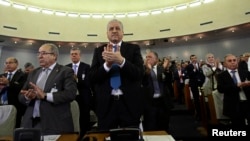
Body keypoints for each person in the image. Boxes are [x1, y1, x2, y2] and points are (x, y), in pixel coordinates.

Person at [89, 19, 144, 130]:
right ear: (107, 33)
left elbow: (139, 74)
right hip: (106, 106)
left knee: (130, 137)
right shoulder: (99, 50)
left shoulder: (133, 49)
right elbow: (92, 77)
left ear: (123, 33)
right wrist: (107, 65)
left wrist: (121, 61)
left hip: (129, 104)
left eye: (117, 28)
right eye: (111, 29)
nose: (114, 31)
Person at [19, 43, 77, 135]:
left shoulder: (65, 71)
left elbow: (70, 94)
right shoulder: (33, 73)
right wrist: (27, 97)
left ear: (54, 56)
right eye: (39, 53)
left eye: (43, 53)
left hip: (55, 123)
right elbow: (21, 95)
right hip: (30, 123)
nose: (40, 56)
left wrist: (45, 96)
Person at [141, 51, 173, 132]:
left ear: (156, 59)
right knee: (150, 125)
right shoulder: (141, 69)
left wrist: (167, 69)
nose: (147, 59)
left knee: (163, 124)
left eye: (150, 57)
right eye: (146, 57)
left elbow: (169, 81)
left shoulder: (161, 68)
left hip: (163, 101)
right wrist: (148, 70)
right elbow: (142, 82)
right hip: (150, 102)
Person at [217, 54, 250, 127]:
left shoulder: (245, 72)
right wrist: (237, 86)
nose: (232, 62)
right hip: (234, 105)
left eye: (234, 60)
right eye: (229, 61)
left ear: (237, 61)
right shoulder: (221, 75)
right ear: (225, 64)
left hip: (247, 102)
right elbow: (221, 89)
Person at [66, 47, 92, 137]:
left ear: (80, 55)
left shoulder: (86, 67)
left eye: (75, 54)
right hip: (71, 97)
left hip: (84, 97)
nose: (73, 56)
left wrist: (77, 79)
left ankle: (85, 135)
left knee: (84, 116)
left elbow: (88, 82)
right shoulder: (66, 67)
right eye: (72, 54)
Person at [0, 57, 27, 128]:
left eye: (10, 63)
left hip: (16, 106)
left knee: (13, 126)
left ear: (17, 64)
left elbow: (22, 88)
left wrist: (9, 83)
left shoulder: (23, 75)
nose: (8, 65)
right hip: (2, 105)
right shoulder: (2, 75)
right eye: (6, 63)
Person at [186, 54, 205, 121]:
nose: (194, 59)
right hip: (193, 84)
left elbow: (202, 74)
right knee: (196, 99)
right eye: (192, 58)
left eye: (195, 58)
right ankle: (198, 113)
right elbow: (189, 75)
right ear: (190, 59)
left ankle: (204, 112)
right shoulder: (189, 66)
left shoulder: (200, 65)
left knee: (203, 98)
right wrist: (194, 70)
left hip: (201, 83)